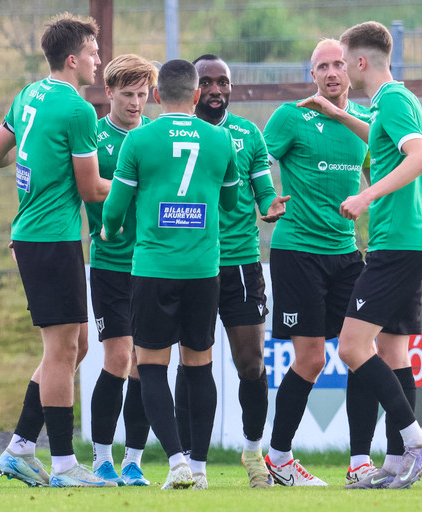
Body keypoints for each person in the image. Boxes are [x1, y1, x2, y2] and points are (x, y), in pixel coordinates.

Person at [300, 21, 422, 490]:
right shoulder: (390, 103)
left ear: (360, 62)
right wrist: (336, 114)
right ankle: (397, 463)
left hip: (397, 244)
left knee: (351, 347)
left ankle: (417, 442)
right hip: (404, 241)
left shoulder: (394, 100)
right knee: (393, 351)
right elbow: (381, 140)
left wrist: (366, 196)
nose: (339, 71)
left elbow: (419, 157)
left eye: (343, 62)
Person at [0, 12, 114, 487]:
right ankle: (63, 465)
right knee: (61, 350)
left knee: (77, 345)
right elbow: (92, 189)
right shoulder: (78, 110)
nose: (99, 60)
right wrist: (137, 184)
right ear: (73, 59)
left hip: (36, 235)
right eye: (93, 53)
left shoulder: (28, 94)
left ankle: (20, 447)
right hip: (50, 239)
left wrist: (36, 161)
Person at [101, 58, 239, 491]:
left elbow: (114, 208)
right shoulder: (220, 139)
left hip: (154, 269)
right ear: (197, 95)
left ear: (157, 95)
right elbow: (232, 203)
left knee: (151, 366)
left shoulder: (139, 139)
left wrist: (109, 230)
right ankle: (199, 468)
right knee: (199, 365)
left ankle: (176, 459)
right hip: (203, 269)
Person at [174, 54, 288, 489]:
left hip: (240, 261)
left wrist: (270, 205)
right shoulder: (178, 134)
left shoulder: (248, 134)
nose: (216, 90)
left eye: (223, 82)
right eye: (207, 82)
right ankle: (190, 462)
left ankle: (254, 453)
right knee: (191, 364)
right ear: (193, 89)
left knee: (251, 364)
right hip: (192, 262)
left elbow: (263, 191)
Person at [261, 38, 371, 487]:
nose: (331, 72)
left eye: (338, 64)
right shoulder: (292, 116)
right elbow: (253, 161)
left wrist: (372, 204)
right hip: (298, 252)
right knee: (310, 360)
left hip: (347, 254)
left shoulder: (363, 123)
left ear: (351, 70)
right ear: (313, 75)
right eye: (322, 66)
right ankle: (279, 458)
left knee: (362, 353)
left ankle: (361, 463)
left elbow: (383, 172)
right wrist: (265, 198)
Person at [84, 54, 158, 486]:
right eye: (127, 94)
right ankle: (101, 459)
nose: (135, 103)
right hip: (109, 264)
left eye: (142, 94)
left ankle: (133, 461)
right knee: (117, 356)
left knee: (143, 363)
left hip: (151, 265)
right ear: (108, 92)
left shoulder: (154, 137)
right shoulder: (93, 137)